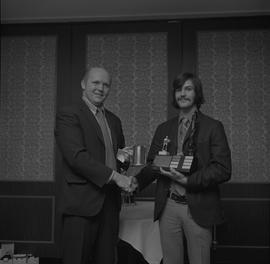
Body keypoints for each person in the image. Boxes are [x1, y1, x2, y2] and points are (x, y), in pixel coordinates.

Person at [133, 72, 232, 264]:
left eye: (188, 89)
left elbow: (223, 169)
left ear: (197, 93)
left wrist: (187, 181)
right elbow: (153, 165)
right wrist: (134, 183)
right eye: (179, 89)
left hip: (198, 206)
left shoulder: (213, 127)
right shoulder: (163, 128)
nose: (182, 94)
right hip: (168, 206)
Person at [55, 67, 133, 264]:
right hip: (81, 204)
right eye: (95, 83)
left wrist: (124, 159)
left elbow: (118, 157)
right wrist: (117, 177)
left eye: (106, 85)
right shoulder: (69, 114)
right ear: (83, 84)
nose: (101, 88)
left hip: (110, 203)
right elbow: (76, 157)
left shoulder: (114, 120)